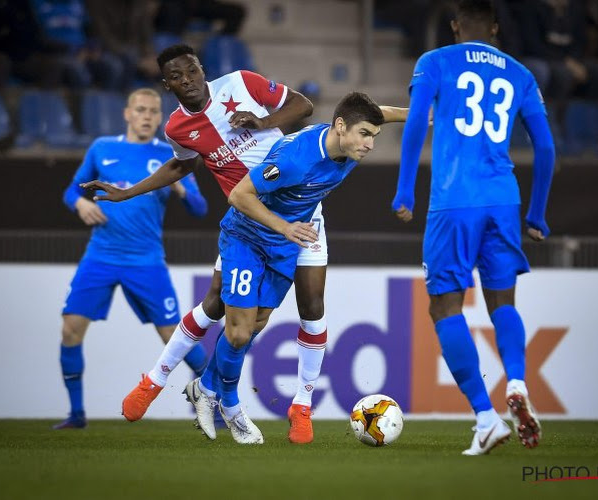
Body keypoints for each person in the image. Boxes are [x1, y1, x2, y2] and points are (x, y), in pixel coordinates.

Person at [83, 44, 407, 444]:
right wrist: (128, 192)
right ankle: (165, 383)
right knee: (220, 309)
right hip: (252, 217)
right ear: (168, 84)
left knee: (300, 310)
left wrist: (261, 120)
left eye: (193, 71)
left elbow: (309, 107)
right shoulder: (179, 129)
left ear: (203, 69)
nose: (188, 80)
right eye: (177, 76)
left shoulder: (240, 84)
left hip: (302, 221)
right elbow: (184, 165)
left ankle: (289, 405)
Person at [392, 0, 555, 455]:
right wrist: (537, 213)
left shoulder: (435, 61)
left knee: (445, 309)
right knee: (502, 302)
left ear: (456, 26)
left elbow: (414, 129)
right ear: (497, 28)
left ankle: (486, 417)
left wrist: (405, 190)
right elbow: (545, 146)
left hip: (453, 202)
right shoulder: (520, 73)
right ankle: (518, 383)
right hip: (504, 200)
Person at [202, 92, 384, 443]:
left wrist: (419, 112)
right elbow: (239, 195)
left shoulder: (347, 140)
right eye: (365, 134)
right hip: (249, 234)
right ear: (341, 126)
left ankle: (208, 390)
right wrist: (285, 227)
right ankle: (229, 403)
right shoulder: (295, 161)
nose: (370, 144)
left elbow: (380, 114)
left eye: (374, 136)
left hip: (284, 244)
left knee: (254, 325)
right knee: (238, 333)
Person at [53, 88, 209, 429]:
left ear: (160, 116)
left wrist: (182, 189)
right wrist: (80, 203)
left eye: (154, 111)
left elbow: (200, 209)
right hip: (101, 256)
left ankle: (219, 402)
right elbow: (71, 190)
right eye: (140, 110)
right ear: (127, 113)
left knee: (175, 336)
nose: (147, 116)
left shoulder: (174, 154)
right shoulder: (102, 148)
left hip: (146, 260)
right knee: (70, 329)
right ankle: (77, 413)